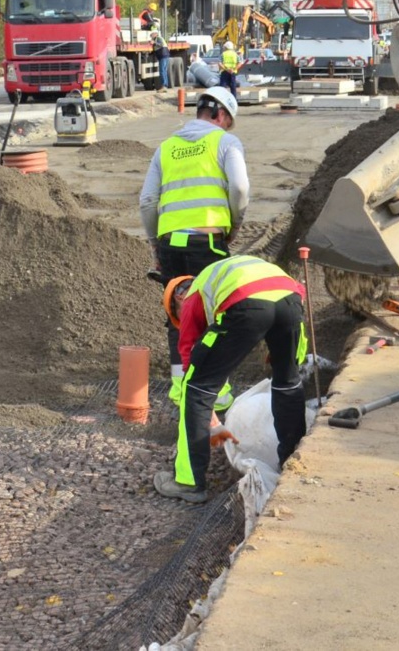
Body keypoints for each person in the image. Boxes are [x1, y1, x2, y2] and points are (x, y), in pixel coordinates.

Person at [153, 256, 309, 503]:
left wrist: (202, 398)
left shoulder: (193, 295)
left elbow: (189, 357)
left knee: (195, 390)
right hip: (289, 299)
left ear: (178, 299)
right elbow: (297, 294)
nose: (182, 323)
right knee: (287, 383)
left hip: (246, 304)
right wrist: (286, 353)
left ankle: (188, 482)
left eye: (178, 318)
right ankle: (292, 462)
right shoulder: (221, 276)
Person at [139, 86, 248, 379]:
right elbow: (239, 188)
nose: (227, 126)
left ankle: (180, 384)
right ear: (221, 114)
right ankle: (210, 384)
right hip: (207, 242)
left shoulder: (166, 147)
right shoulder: (226, 142)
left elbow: (148, 200)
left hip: (170, 247)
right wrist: (234, 226)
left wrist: (155, 247)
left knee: (178, 313)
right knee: (214, 313)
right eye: (228, 120)